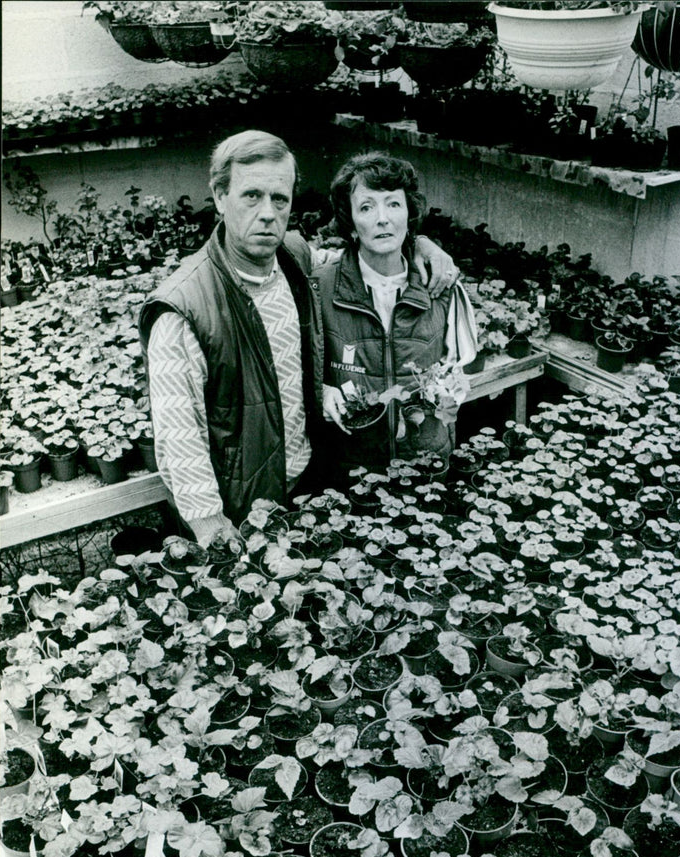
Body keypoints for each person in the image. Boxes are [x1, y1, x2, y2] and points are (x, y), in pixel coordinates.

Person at [138, 131, 458, 546]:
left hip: (310, 489)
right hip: (242, 512)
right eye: (251, 196)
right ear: (219, 196)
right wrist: (212, 528)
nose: (268, 213)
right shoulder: (185, 308)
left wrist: (419, 245)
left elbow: (356, 261)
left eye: (280, 198)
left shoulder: (291, 259)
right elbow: (179, 439)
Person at [317, 151, 477, 478]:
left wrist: (447, 391)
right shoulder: (320, 287)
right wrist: (321, 389)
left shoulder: (442, 287)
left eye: (393, 203)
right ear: (349, 222)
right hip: (350, 471)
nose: (382, 218)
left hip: (425, 467)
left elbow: (460, 369)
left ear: (408, 213)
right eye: (366, 207)